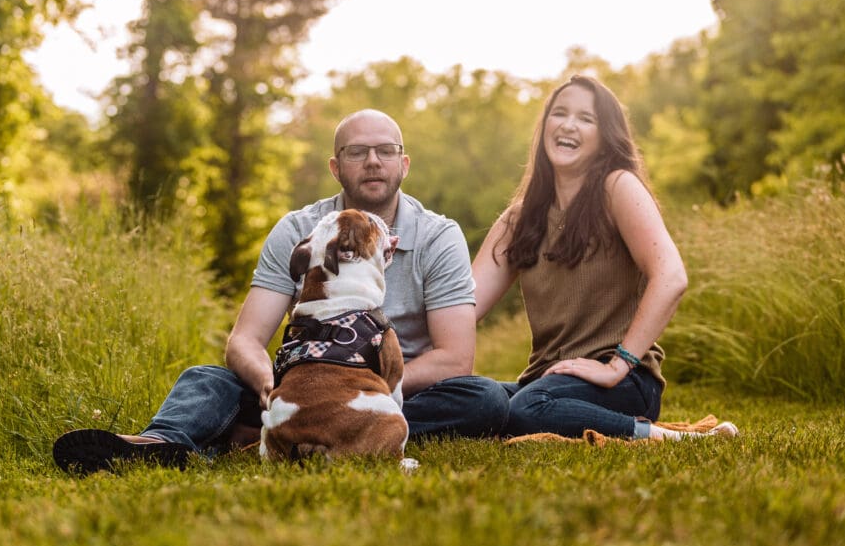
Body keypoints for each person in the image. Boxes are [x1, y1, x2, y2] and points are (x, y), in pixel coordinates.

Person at [54, 109, 509, 473]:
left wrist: (352, 389)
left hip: (390, 394)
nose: (373, 161)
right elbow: (246, 340)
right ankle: (160, 442)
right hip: (296, 388)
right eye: (357, 152)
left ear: (403, 164)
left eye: (386, 151)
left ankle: (274, 436)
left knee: (481, 398)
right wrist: (273, 387)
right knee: (207, 379)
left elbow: (454, 358)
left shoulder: (437, 235)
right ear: (335, 167)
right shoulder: (298, 230)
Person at [472, 75, 737, 441]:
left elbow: (671, 276)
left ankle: (665, 438)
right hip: (544, 383)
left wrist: (618, 366)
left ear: (604, 135)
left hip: (625, 383)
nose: (568, 124)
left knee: (524, 411)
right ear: (545, 125)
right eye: (559, 113)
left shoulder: (618, 187)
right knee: (472, 401)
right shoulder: (520, 218)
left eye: (586, 118)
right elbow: (463, 305)